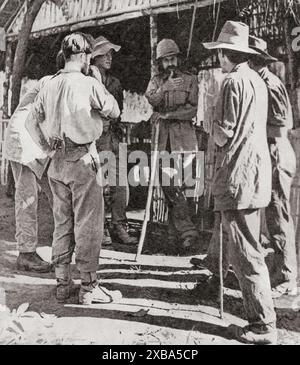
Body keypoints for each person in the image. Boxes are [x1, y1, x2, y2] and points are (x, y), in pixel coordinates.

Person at [25, 33, 121, 305]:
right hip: (82, 159)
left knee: (62, 222)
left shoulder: (48, 84)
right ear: (83, 56)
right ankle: (89, 287)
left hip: (56, 161)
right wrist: (97, 80)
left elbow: (31, 123)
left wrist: (46, 145)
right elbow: (113, 110)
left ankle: (62, 283)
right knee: (89, 224)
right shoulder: (88, 83)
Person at [202, 21, 277, 344]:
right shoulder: (257, 81)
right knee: (244, 246)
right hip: (256, 174)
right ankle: (220, 288)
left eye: (219, 52)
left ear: (223, 54)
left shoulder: (231, 82)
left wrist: (208, 115)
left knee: (246, 254)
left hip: (238, 175)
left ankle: (263, 325)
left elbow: (223, 135)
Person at [3, 51, 65, 273]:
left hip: (38, 143)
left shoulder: (59, 84)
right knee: (27, 197)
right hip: (24, 140)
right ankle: (26, 253)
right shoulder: (51, 82)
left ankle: (63, 247)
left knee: (56, 193)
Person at [249, 36, 298, 298]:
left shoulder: (271, 84)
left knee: (279, 215)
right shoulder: (258, 82)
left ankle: (288, 276)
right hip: (266, 151)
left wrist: (251, 128)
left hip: (276, 152)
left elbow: (282, 126)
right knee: (270, 213)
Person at [145, 38, 199, 253]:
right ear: (161, 63)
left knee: (183, 187)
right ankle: (182, 231)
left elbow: (192, 110)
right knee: (168, 186)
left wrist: (167, 115)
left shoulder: (191, 80)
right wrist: (164, 88)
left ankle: (183, 232)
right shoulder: (156, 81)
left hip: (184, 140)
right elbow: (151, 100)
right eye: (166, 60)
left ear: (178, 58)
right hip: (163, 140)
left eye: (172, 58)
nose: (170, 63)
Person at [92, 36, 137, 246]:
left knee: (121, 183)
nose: (109, 57)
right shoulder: (87, 81)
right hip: (95, 137)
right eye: (105, 54)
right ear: (95, 57)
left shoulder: (115, 83)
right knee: (98, 184)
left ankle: (119, 225)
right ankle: (100, 228)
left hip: (114, 136)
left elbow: (118, 112)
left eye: (111, 54)